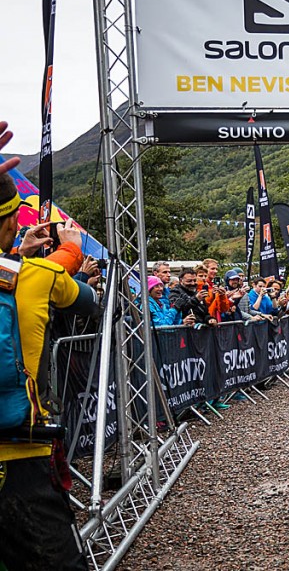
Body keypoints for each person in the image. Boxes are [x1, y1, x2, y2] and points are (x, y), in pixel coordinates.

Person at [0, 170, 99, 571]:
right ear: (11, 221)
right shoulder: (36, 277)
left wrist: (17, 256)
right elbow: (88, 300)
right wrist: (70, 253)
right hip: (22, 455)